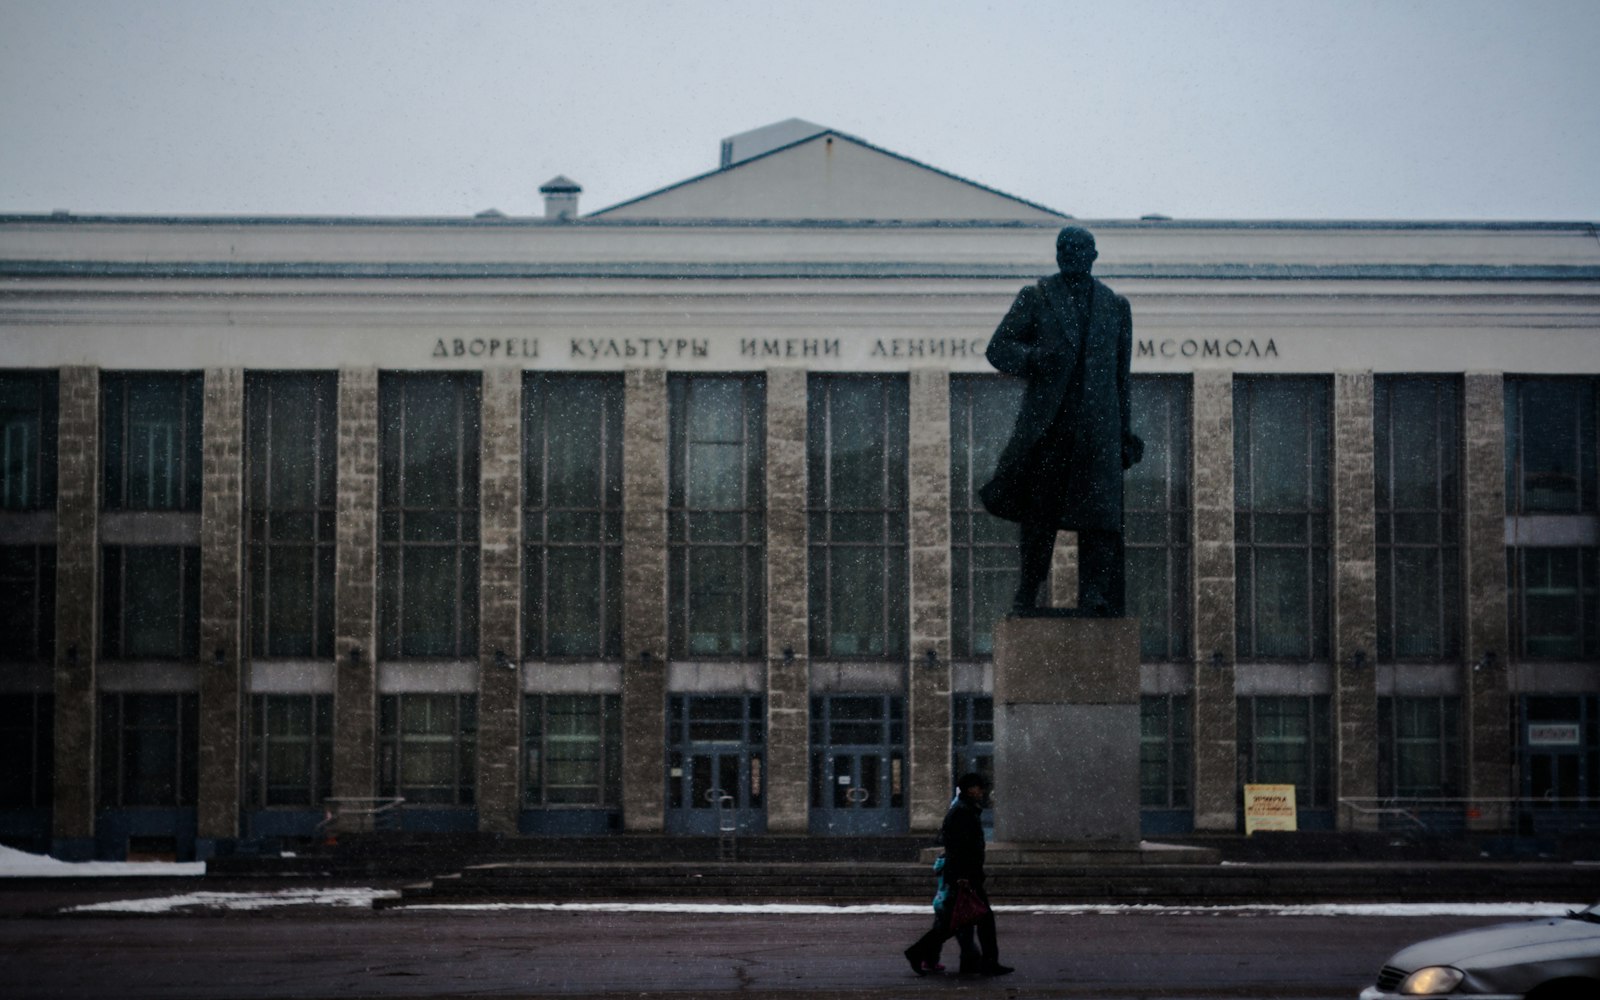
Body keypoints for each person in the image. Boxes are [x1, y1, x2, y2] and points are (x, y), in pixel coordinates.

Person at [979, 226, 1142, 616]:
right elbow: (997, 348)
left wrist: (1123, 431)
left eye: (1079, 248)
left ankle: (1094, 595)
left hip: (1097, 431)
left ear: (1094, 255)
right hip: (1050, 428)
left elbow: (1122, 378)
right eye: (1064, 248)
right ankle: (1028, 592)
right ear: (1056, 254)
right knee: (1040, 517)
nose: (1071, 254)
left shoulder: (1115, 307)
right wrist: (1035, 358)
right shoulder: (1037, 297)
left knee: (1100, 519)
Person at [903, 773, 1012, 977]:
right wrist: (963, 876)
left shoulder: (965, 809)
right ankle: (987, 962)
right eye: (978, 787)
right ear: (970, 789)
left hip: (966, 875)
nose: (981, 791)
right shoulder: (962, 812)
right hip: (965, 876)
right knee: (974, 920)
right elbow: (958, 848)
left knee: (955, 923)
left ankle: (920, 953)